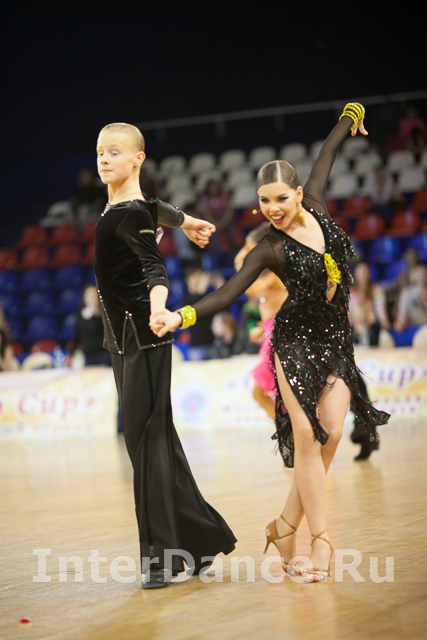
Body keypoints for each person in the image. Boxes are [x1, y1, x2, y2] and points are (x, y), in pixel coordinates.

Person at [151, 103, 390, 583]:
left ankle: (283, 528)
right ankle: (320, 541)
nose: (272, 208)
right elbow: (227, 292)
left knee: (332, 435)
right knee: (307, 435)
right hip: (294, 341)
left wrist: (352, 115)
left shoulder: (317, 205)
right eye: (263, 201)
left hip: (335, 341)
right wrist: (181, 315)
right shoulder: (269, 248)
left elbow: (328, 150)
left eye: (280, 198)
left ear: (299, 193)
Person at [94, 122, 236, 589]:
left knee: (147, 445)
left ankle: (161, 558)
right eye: (100, 152)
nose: (104, 159)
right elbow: (159, 209)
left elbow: (156, 268)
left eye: (115, 152)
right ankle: (201, 540)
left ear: (138, 159)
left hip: (142, 335)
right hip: (123, 341)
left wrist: (159, 308)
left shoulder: (131, 211)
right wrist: (189, 221)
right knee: (155, 443)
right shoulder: (126, 207)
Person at [234, 223, 287, 419]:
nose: (245, 252)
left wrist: (239, 262)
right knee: (267, 394)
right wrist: (264, 330)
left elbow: (247, 288)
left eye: (249, 248)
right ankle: (289, 429)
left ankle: (291, 430)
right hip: (274, 334)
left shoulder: (273, 275)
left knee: (264, 394)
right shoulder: (269, 273)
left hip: (282, 338)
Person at [348, 261, 391, 346]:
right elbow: (348, 314)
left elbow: (380, 310)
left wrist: (385, 323)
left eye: (365, 272)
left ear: (369, 274)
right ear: (355, 275)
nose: (363, 276)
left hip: (373, 325)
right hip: (355, 326)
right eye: (360, 273)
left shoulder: (377, 290)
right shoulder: (350, 292)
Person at [70, 284, 111, 366]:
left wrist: (94, 314)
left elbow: (96, 329)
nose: (93, 298)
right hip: (87, 355)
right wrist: (72, 351)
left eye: (94, 295)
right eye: (90, 296)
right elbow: (77, 335)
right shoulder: (80, 315)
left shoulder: (103, 314)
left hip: (102, 354)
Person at [198, 180, 235, 254]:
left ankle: (232, 252)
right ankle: (217, 254)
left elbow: (228, 211)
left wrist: (223, 222)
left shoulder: (224, 195)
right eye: (211, 188)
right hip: (213, 221)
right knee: (212, 232)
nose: (213, 190)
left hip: (225, 220)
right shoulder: (206, 198)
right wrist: (215, 224)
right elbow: (207, 214)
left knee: (231, 231)